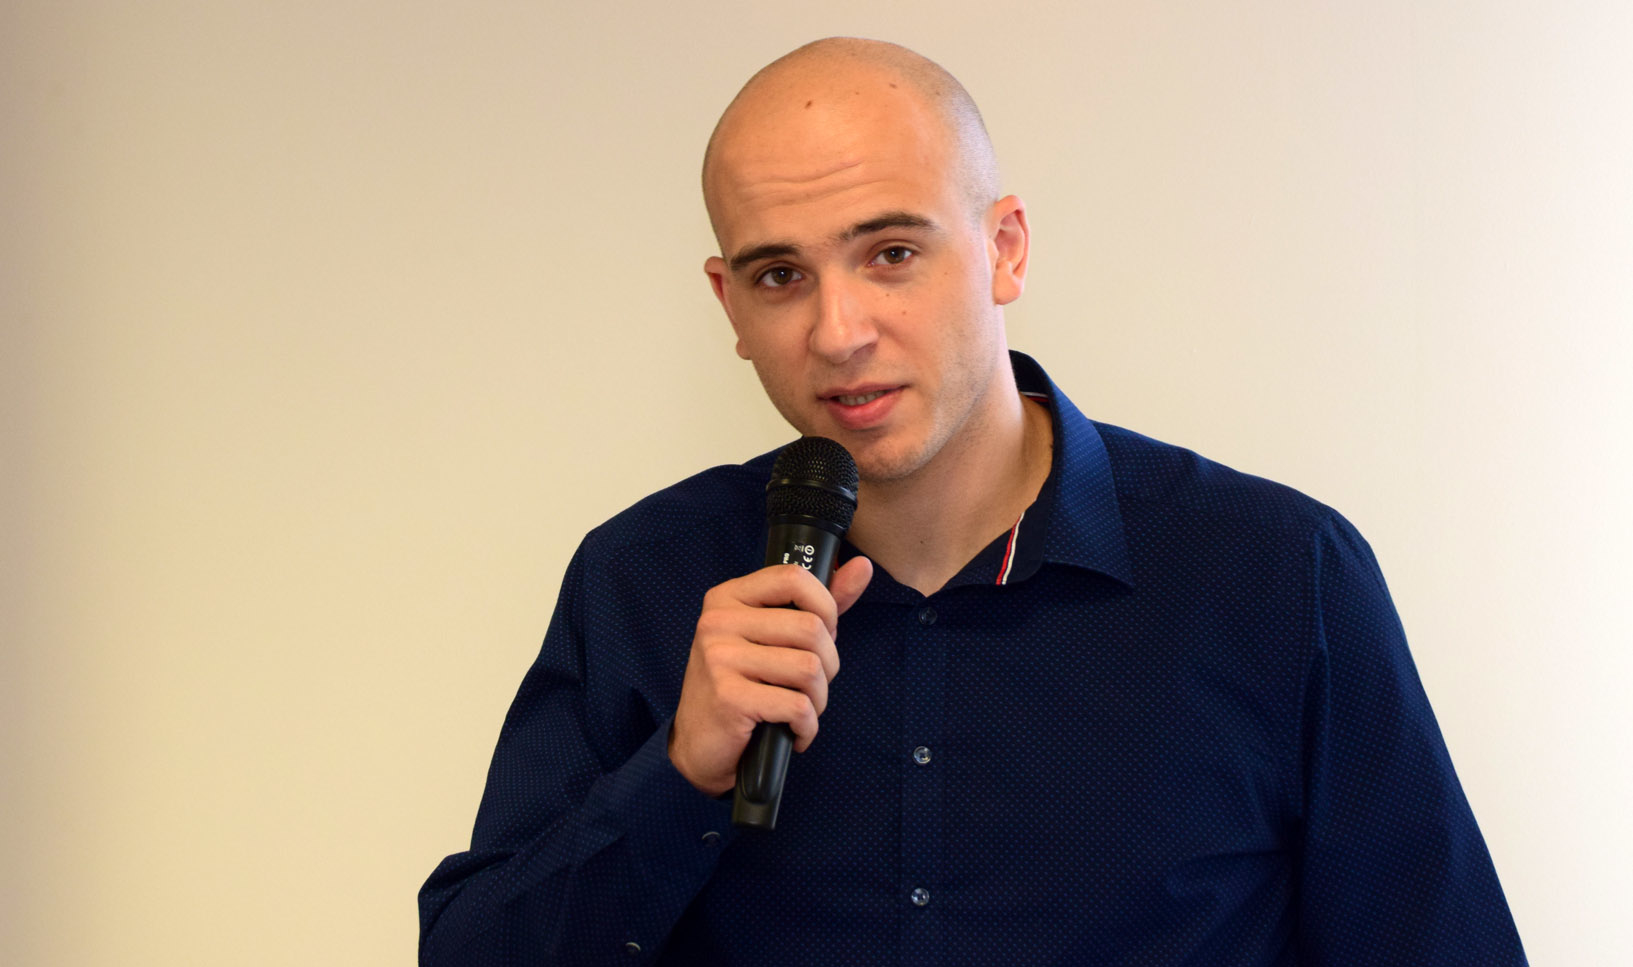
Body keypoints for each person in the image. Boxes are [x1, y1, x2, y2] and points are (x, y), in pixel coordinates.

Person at [420, 38, 1526, 965]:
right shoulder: (641, 581)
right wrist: (676, 778)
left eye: (891, 252)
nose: (838, 332)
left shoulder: (1278, 575)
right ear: (730, 304)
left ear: (1004, 250)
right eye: (779, 276)